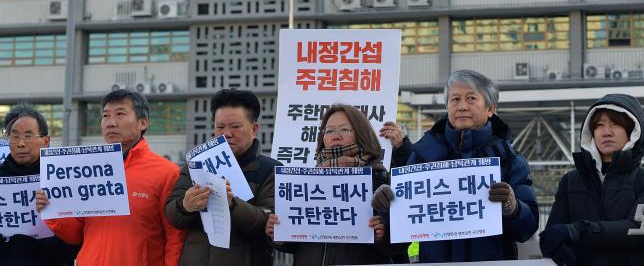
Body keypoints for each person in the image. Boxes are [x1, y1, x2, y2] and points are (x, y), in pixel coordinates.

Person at [372, 69, 539, 263]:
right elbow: (399, 239)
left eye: (471, 99)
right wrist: (385, 209)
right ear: (447, 106)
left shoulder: (509, 160)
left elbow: (527, 229)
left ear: (491, 108)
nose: (462, 107)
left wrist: (513, 208)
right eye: (455, 99)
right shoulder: (422, 157)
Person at [36, 90, 186, 266]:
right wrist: (53, 209)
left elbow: (175, 238)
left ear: (143, 123)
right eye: (105, 116)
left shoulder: (166, 172)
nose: (110, 123)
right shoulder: (86, 170)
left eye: (120, 114)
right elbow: (75, 235)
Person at [539, 93, 644, 266]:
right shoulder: (570, 181)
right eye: (599, 125)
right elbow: (551, 236)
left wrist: (578, 230)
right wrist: (558, 250)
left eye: (616, 124)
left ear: (632, 131)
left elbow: (638, 230)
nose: (606, 132)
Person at [265, 104, 395, 265]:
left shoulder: (380, 179)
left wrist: (382, 236)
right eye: (329, 131)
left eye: (345, 130)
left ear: (362, 134)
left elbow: (401, 243)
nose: (336, 136)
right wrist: (279, 235)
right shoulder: (307, 184)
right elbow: (298, 243)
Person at [165, 88, 281, 266]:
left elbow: (269, 224)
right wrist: (185, 206)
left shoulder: (271, 170)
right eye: (220, 127)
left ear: (254, 129)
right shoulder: (196, 165)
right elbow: (172, 215)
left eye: (235, 126)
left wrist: (232, 204)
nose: (226, 133)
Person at [0, 105, 79, 266]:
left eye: (28, 136)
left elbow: (76, 239)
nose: (20, 143)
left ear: (46, 141)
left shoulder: (64, 179)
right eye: (14, 137)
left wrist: (54, 214)